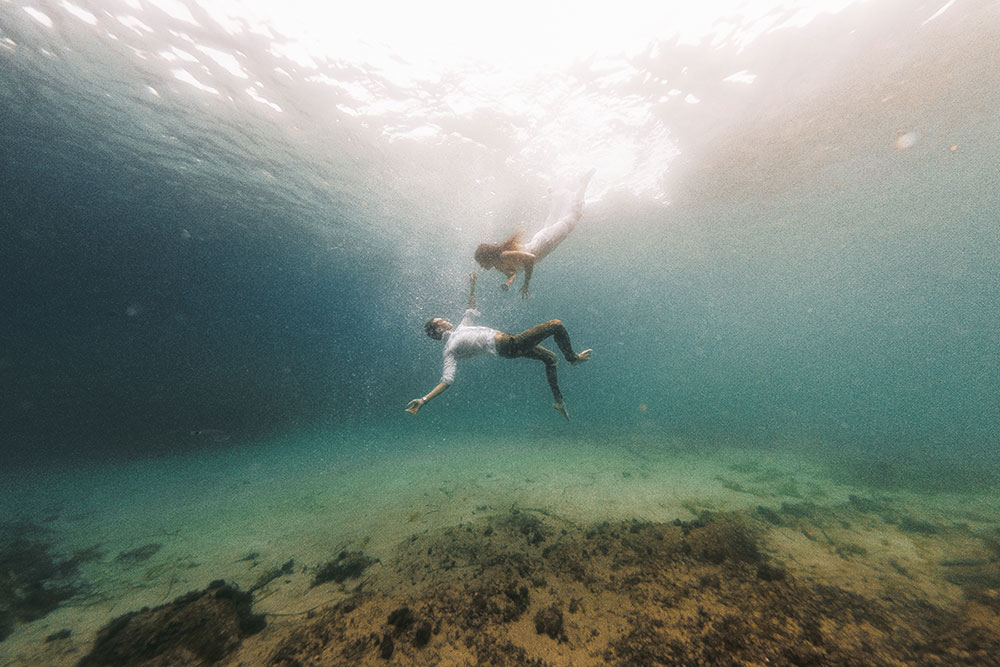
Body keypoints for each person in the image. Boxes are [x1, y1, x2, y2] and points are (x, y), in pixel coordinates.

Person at [406, 273, 592, 420]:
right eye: (442, 320)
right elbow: (447, 380)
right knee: (556, 325)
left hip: (510, 342)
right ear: (438, 328)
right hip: (508, 346)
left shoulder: (461, 328)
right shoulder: (450, 349)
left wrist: (472, 284)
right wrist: (424, 400)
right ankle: (573, 359)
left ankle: (558, 401)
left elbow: (470, 308)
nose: (446, 319)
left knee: (551, 359)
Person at [474, 168, 595, 298]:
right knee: (554, 218)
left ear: (487, 258)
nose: (481, 266)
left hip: (546, 242)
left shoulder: (504, 255)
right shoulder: (499, 265)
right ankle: (553, 195)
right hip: (542, 241)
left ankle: (583, 184)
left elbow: (530, 258)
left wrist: (527, 283)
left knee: (574, 216)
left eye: (481, 262)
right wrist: (508, 282)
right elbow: (512, 273)